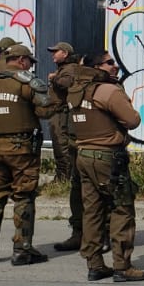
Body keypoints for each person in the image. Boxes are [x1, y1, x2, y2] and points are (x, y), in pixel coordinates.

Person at [0, 43, 59, 266]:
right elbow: (46, 110)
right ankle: (22, 248)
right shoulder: (25, 82)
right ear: (20, 60)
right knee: (23, 196)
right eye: (28, 61)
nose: (29, 65)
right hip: (22, 150)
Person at [65, 50, 144, 282]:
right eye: (109, 63)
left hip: (83, 155)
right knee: (121, 209)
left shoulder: (75, 91)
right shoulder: (107, 91)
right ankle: (122, 267)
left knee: (92, 211)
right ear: (97, 67)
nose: (115, 66)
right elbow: (133, 120)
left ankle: (94, 264)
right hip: (107, 157)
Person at [46, 41, 97, 252]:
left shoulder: (69, 70)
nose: (52, 55)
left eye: (55, 52)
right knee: (60, 149)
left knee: (63, 149)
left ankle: (63, 176)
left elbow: (67, 84)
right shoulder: (64, 69)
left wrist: (54, 78)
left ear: (65, 53)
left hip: (64, 116)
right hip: (57, 114)